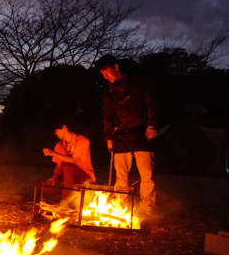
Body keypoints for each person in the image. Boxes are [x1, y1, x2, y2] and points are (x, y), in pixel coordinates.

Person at [95, 54, 158, 211]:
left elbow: (150, 105)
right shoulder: (108, 92)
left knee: (146, 175)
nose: (105, 76)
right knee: (121, 175)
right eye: (102, 74)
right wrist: (109, 138)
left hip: (141, 133)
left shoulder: (138, 84)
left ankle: (147, 207)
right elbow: (107, 116)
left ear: (116, 67)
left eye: (106, 72)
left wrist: (151, 126)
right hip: (120, 136)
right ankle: (121, 206)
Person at [42, 124, 97, 191]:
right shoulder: (59, 145)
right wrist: (53, 178)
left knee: (67, 167)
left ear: (64, 128)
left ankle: (66, 197)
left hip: (85, 177)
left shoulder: (82, 141)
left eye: (57, 130)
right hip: (68, 178)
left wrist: (53, 153)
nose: (55, 133)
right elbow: (59, 166)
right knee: (47, 188)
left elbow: (74, 160)